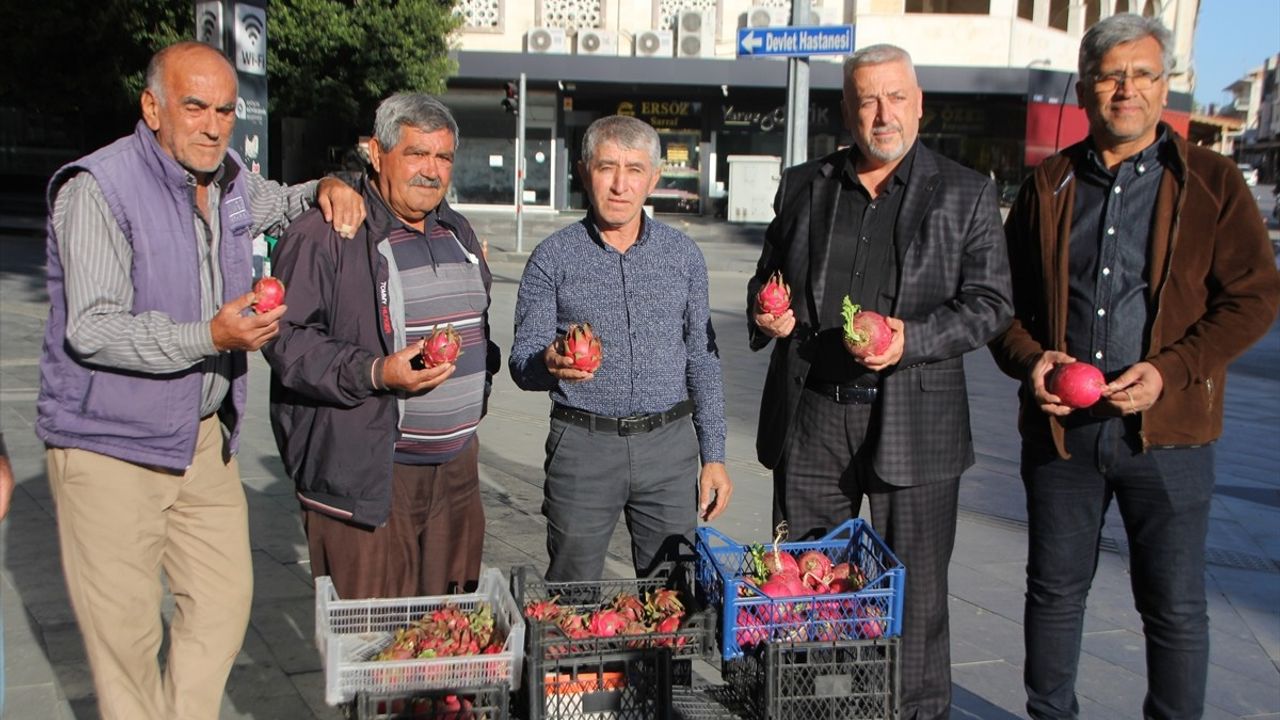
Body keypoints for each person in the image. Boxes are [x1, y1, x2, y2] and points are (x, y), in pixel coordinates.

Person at [35, 41, 364, 720]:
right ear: (152, 108)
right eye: (195, 107)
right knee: (126, 637)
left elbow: (280, 202)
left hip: (201, 440)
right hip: (109, 448)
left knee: (222, 602)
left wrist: (328, 186)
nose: (214, 125)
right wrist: (207, 338)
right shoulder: (97, 188)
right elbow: (91, 327)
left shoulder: (231, 181)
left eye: (224, 111)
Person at [990, 15, 1280, 720]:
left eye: (1143, 74)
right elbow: (1000, 305)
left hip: (1170, 436)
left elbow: (1254, 298)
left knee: (1175, 606)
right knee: (1054, 592)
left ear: (1164, 84)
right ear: (1087, 87)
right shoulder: (1048, 184)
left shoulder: (1211, 182)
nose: (1127, 89)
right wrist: (1032, 361)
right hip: (1064, 435)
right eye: (1112, 75)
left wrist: (1173, 369)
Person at [747, 44, 1012, 720]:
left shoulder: (965, 191)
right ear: (847, 109)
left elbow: (990, 304)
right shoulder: (806, 184)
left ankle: (918, 711)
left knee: (916, 596)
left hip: (915, 421)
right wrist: (767, 312)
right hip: (813, 418)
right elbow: (769, 276)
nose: (882, 112)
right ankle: (815, 708)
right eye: (867, 98)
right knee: (808, 588)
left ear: (919, 103)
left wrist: (909, 340)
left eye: (896, 97)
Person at [265, 93, 499, 600]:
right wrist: (376, 372)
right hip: (370, 476)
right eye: (416, 154)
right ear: (376, 152)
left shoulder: (456, 229)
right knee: (372, 646)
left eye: (443, 157)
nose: (431, 171)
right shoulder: (326, 232)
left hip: (455, 472)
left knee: (445, 638)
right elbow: (287, 343)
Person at [509, 115, 733, 582]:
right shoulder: (553, 257)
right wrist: (549, 362)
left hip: (668, 448)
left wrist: (714, 456)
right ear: (583, 170)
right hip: (583, 446)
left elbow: (702, 360)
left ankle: (663, 660)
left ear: (653, 178)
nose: (619, 184)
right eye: (607, 166)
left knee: (674, 596)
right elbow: (522, 360)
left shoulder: (683, 256)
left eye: (634, 169)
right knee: (573, 589)